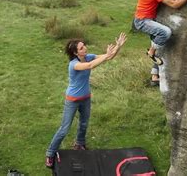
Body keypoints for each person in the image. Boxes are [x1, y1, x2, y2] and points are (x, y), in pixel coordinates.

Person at [45, 32, 127, 168]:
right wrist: (106, 55)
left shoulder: (88, 57)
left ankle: (79, 144)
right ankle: (50, 153)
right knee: (64, 129)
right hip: (72, 100)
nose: (85, 48)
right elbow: (90, 66)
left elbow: (109, 58)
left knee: (83, 123)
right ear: (76, 53)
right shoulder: (74, 64)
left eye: (84, 46)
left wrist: (118, 46)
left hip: (85, 98)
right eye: (82, 48)